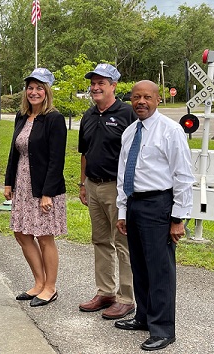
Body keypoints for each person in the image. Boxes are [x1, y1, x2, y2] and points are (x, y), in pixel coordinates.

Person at [114, 80, 194, 351]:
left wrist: (178, 218)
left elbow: (183, 176)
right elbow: (124, 175)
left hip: (159, 205)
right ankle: (144, 318)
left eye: (147, 97)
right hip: (135, 205)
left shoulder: (170, 131)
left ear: (158, 100)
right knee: (140, 266)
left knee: (160, 270)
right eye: (136, 97)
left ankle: (163, 330)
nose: (141, 102)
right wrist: (123, 210)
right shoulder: (129, 132)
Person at [77, 63, 137, 319]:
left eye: (101, 83)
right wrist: (82, 184)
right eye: (93, 83)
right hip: (93, 185)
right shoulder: (88, 116)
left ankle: (126, 298)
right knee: (101, 241)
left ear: (113, 86)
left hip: (118, 188)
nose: (95, 87)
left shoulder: (127, 114)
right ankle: (105, 291)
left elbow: (137, 153)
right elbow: (84, 153)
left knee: (123, 243)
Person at [4, 68, 67, 307]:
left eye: (39, 87)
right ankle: (38, 283)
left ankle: (50, 287)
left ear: (47, 91)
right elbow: (14, 152)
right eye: (30, 87)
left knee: (44, 236)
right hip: (22, 184)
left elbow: (56, 159)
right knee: (22, 233)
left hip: (43, 188)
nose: (34, 92)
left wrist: (47, 193)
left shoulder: (54, 119)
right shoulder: (22, 117)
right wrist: (9, 182)